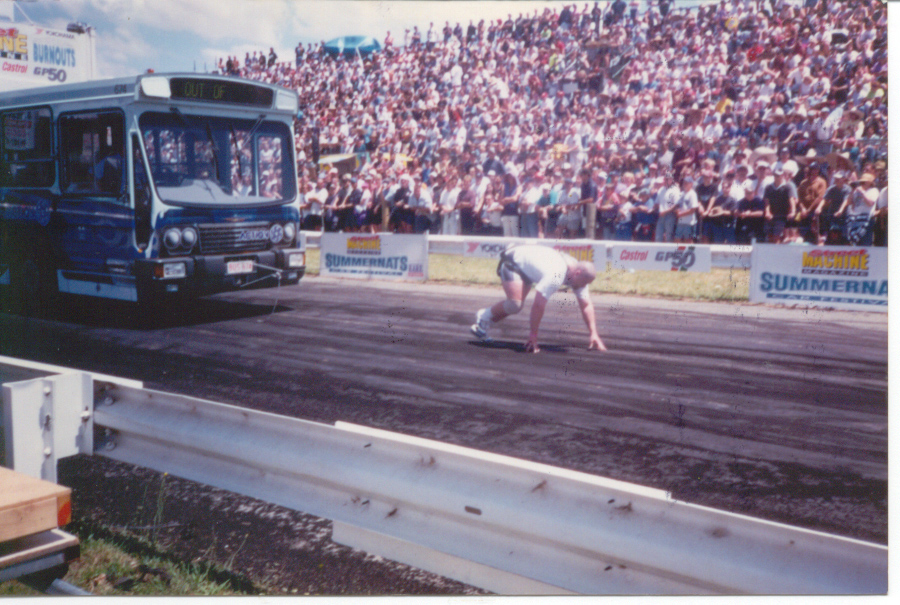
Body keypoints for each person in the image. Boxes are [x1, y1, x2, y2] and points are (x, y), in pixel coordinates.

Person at [470, 244, 606, 353]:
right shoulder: (556, 275)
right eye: (585, 283)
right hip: (514, 262)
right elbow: (538, 305)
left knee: (514, 306)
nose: (584, 286)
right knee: (514, 305)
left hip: (529, 267)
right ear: (577, 273)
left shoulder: (578, 275)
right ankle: (483, 317)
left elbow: (586, 305)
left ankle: (485, 321)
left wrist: (593, 333)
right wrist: (533, 336)